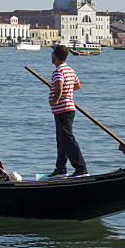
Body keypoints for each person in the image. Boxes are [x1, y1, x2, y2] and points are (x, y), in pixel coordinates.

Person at [48, 44, 87, 178]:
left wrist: (55, 100)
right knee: (62, 139)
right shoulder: (70, 70)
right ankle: (60, 169)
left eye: (52, 54)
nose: (51, 57)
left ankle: (81, 168)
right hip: (67, 109)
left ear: (56, 56)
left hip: (63, 109)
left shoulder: (58, 71)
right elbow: (77, 85)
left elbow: (59, 87)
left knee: (67, 138)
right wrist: (67, 91)